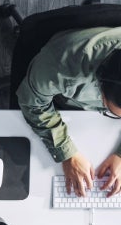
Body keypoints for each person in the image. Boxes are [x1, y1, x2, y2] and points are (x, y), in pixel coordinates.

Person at [16, 27, 121, 198]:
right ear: (101, 89)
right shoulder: (60, 67)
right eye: (115, 113)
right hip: (60, 84)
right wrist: (68, 154)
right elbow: (33, 104)